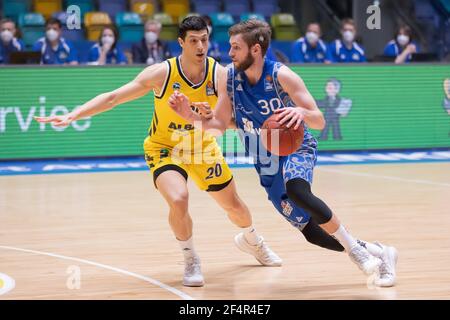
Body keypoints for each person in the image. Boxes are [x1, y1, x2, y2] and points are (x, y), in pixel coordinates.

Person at [34, 16, 280, 287]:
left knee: (235, 208)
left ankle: (252, 240)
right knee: (179, 198)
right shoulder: (161, 73)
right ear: (181, 43)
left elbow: (230, 122)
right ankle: (190, 258)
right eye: (194, 41)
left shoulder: (220, 75)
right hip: (164, 147)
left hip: (201, 147)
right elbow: (114, 97)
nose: (201, 46)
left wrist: (214, 118)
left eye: (204, 40)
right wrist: (74, 114)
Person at [169, 19, 398, 287]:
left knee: (298, 191)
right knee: (312, 233)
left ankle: (358, 254)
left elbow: (319, 120)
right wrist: (189, 117)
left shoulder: (281, 76)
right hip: (265, 160)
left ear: (255, 49)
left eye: (235, 47)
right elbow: (219, 127)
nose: (229, 53)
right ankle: (380, 252)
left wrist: (300, 112)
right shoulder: (228, 78)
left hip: (295, 147)